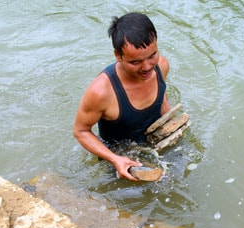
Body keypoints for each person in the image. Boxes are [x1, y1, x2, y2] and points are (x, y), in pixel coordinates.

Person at [73, 12, 171, 181]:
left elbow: (162, 100)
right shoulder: (101, 92)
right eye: (135, 62)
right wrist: (115, 159)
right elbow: (80, 131)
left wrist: (171, 128)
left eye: (152, 55)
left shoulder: (161, 65)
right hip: (119, 154)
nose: (147, 67)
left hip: (155, 143)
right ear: (118, 56)